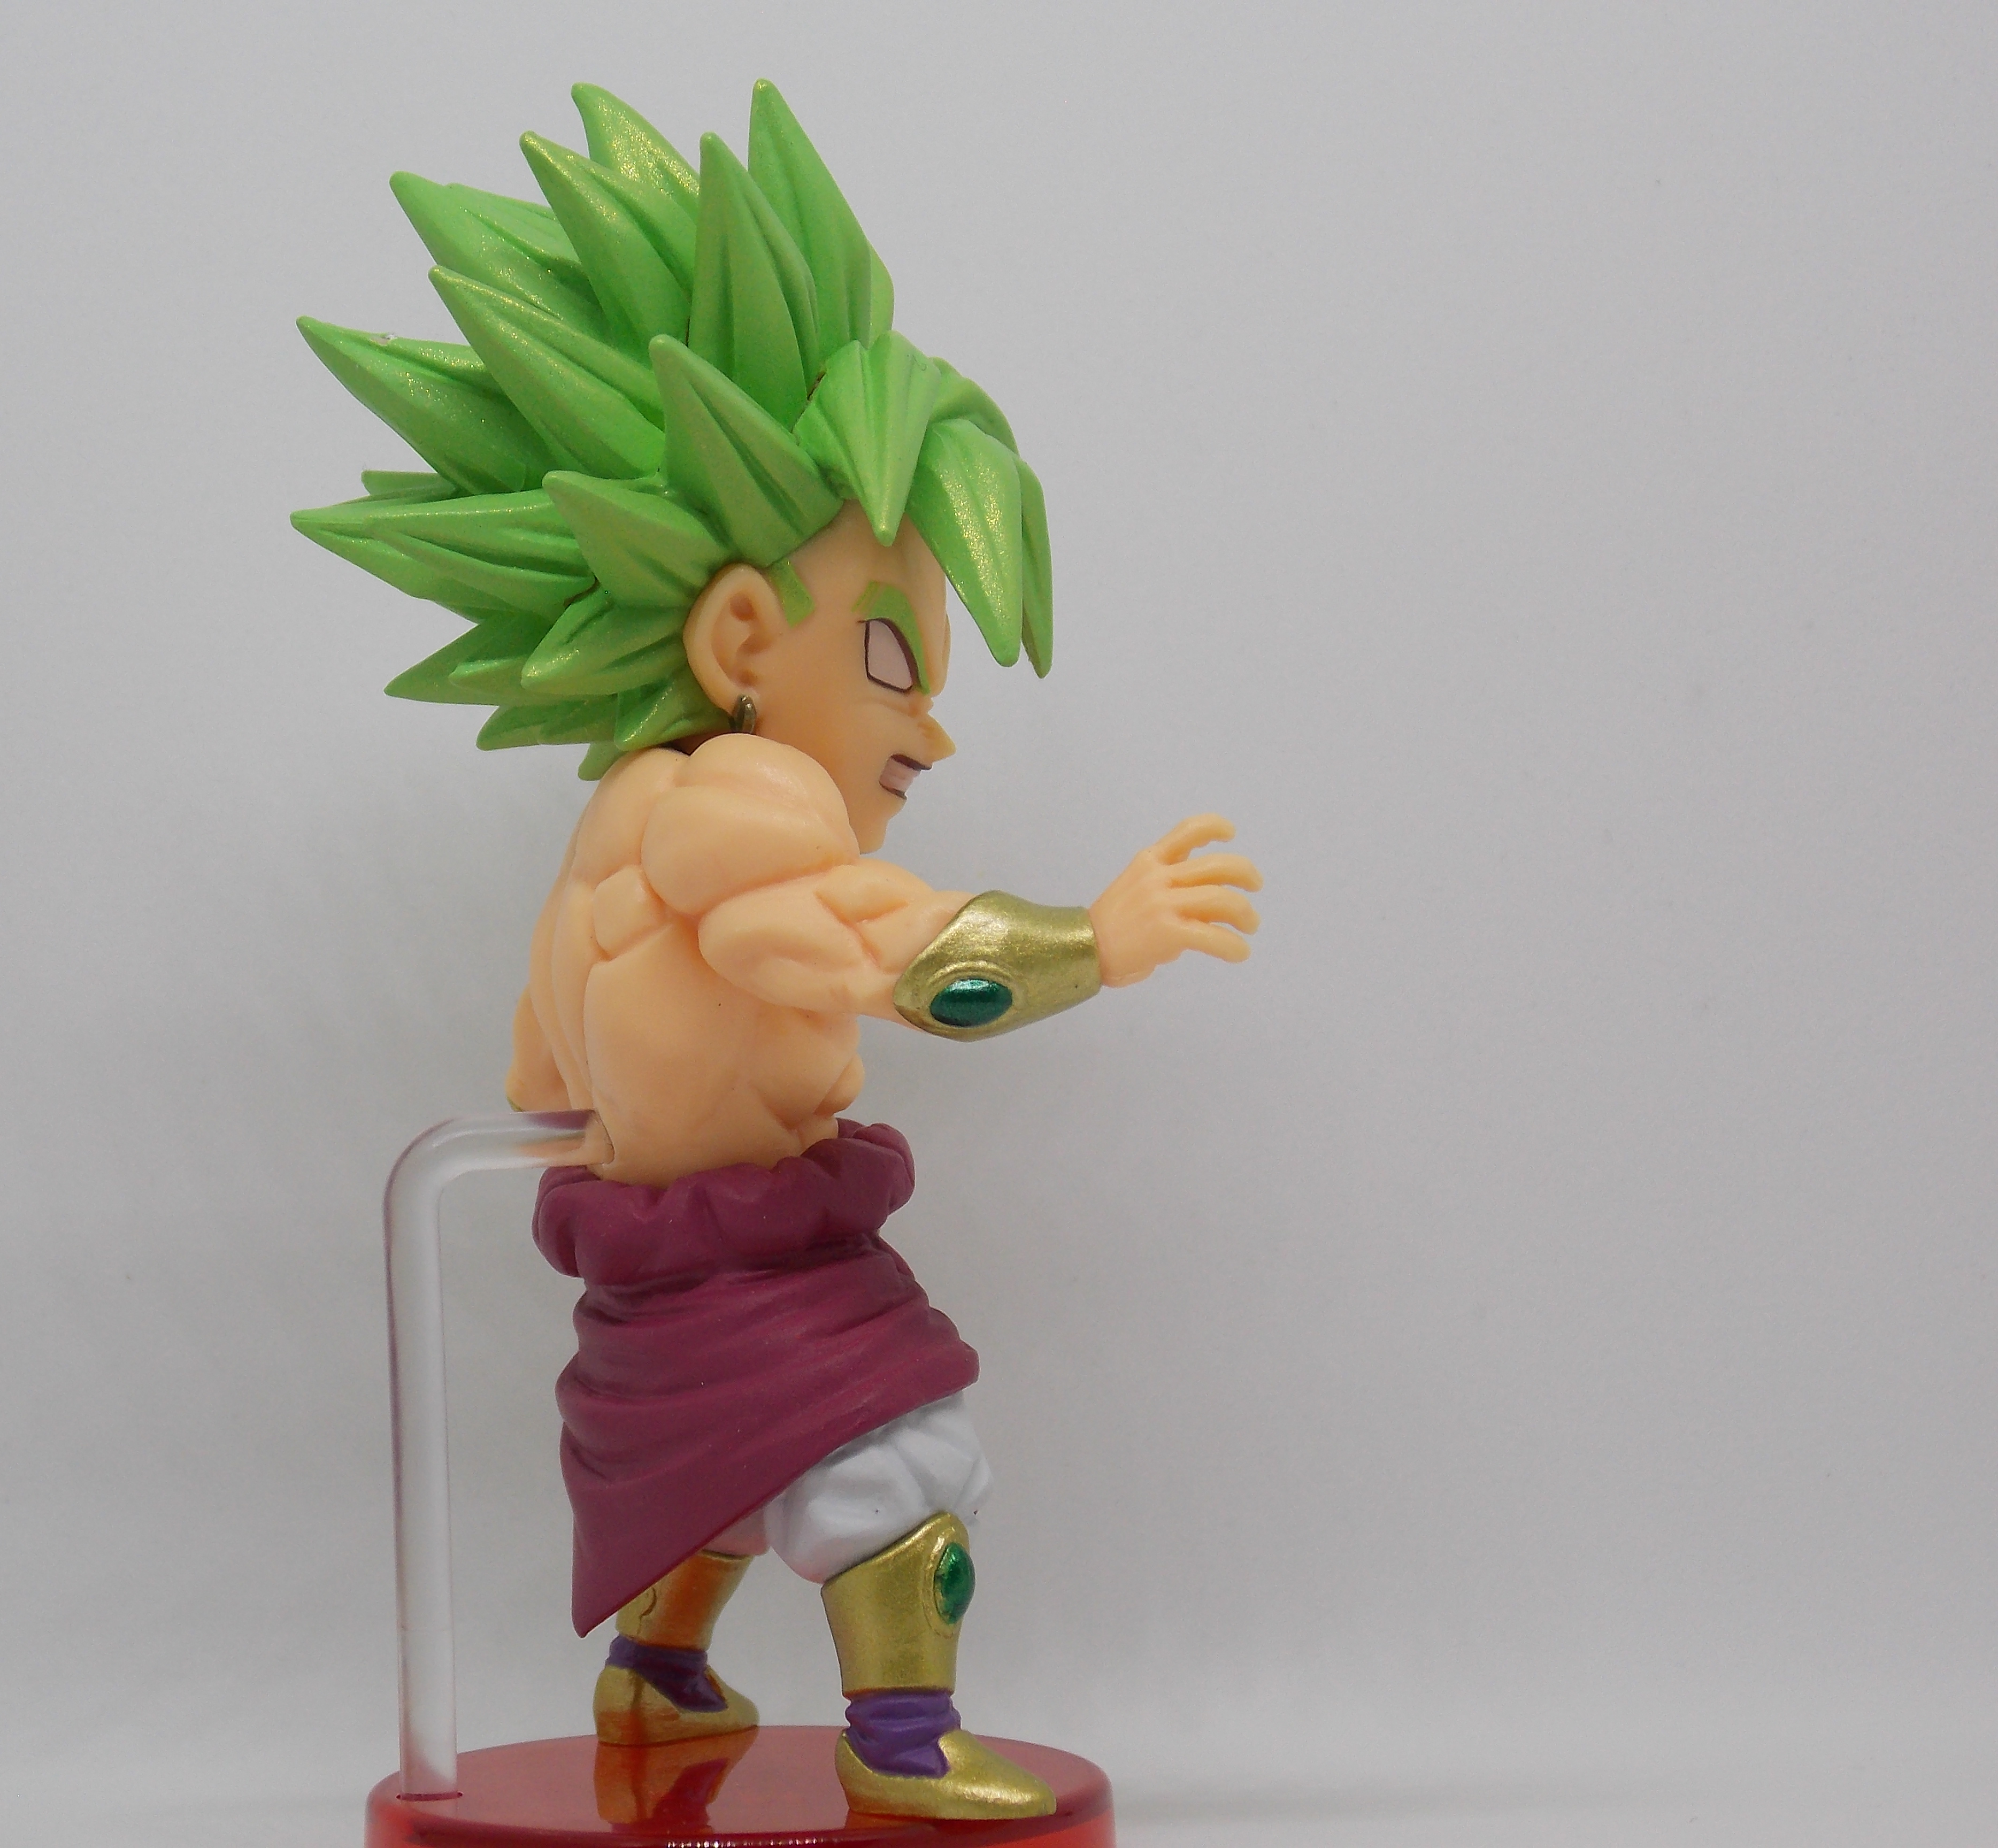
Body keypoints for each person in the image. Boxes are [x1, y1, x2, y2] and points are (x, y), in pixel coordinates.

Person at [295, 80, 1261, 1820]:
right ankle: (904, 1745)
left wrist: (652, 1105)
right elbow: (898, 955)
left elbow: (540, 1071)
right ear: (742, 636)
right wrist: (1098, 942)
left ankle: (657, 1680)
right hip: (739, 1264)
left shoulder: (620, 825)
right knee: (903, 1458)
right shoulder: (748, 798)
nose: (929, 734)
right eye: (895, 662)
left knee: (711, 1482)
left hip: (651, 1266)